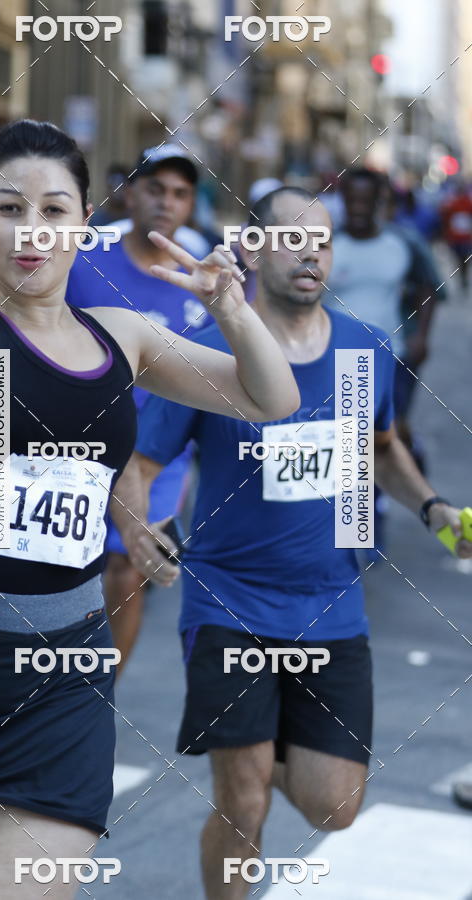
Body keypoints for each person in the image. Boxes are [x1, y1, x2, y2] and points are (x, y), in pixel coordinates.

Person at [0, 119, 299, 900]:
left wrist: (234, 310)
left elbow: (270, 398)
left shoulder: (124, 338)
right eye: (9, 209)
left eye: (53, 210)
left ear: (85, 224)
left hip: (61, 679)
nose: (31, 231)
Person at [112, 187, 472, 900]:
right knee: (243, 802)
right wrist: (136, 527)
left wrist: (434, 509)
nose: (312, 253)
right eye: (294, 238)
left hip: (331, 603)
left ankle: (259, 743)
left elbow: (379, 447)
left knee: (334, 806)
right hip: (229, 602)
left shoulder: (363, 348)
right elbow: (140, 465)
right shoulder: (209, 353)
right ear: (253, 249)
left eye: (323, 242)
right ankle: (240, 775)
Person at [65, 143, 214, 673]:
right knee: (67, 564)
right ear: (129, 193)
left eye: (179, 193)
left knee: (130, 568)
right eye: (155, 188)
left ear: (190, 204)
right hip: (77, 442)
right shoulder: (84, 259)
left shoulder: (202, 277)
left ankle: (102, 687)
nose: (166, 202)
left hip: (159, 452)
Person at [324, 167, 446, 549]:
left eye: (367, 200)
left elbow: (430, 287)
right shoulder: (326, 245)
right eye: (352, 200)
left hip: (391, 359)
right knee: (350, 442)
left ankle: (381, 505)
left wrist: (421, 336)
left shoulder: (403, 242)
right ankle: (360, 523)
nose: (359, 208)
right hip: (337, 360)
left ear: (381, 202)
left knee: (384, 437)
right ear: (342, 200)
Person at [440, 178, 472, 288]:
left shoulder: (461, 203)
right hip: (458, 238)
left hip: (462, 238)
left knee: (461, 259)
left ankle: (463, 277)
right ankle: (463, 277)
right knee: (461, 259)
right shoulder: (455, 203)